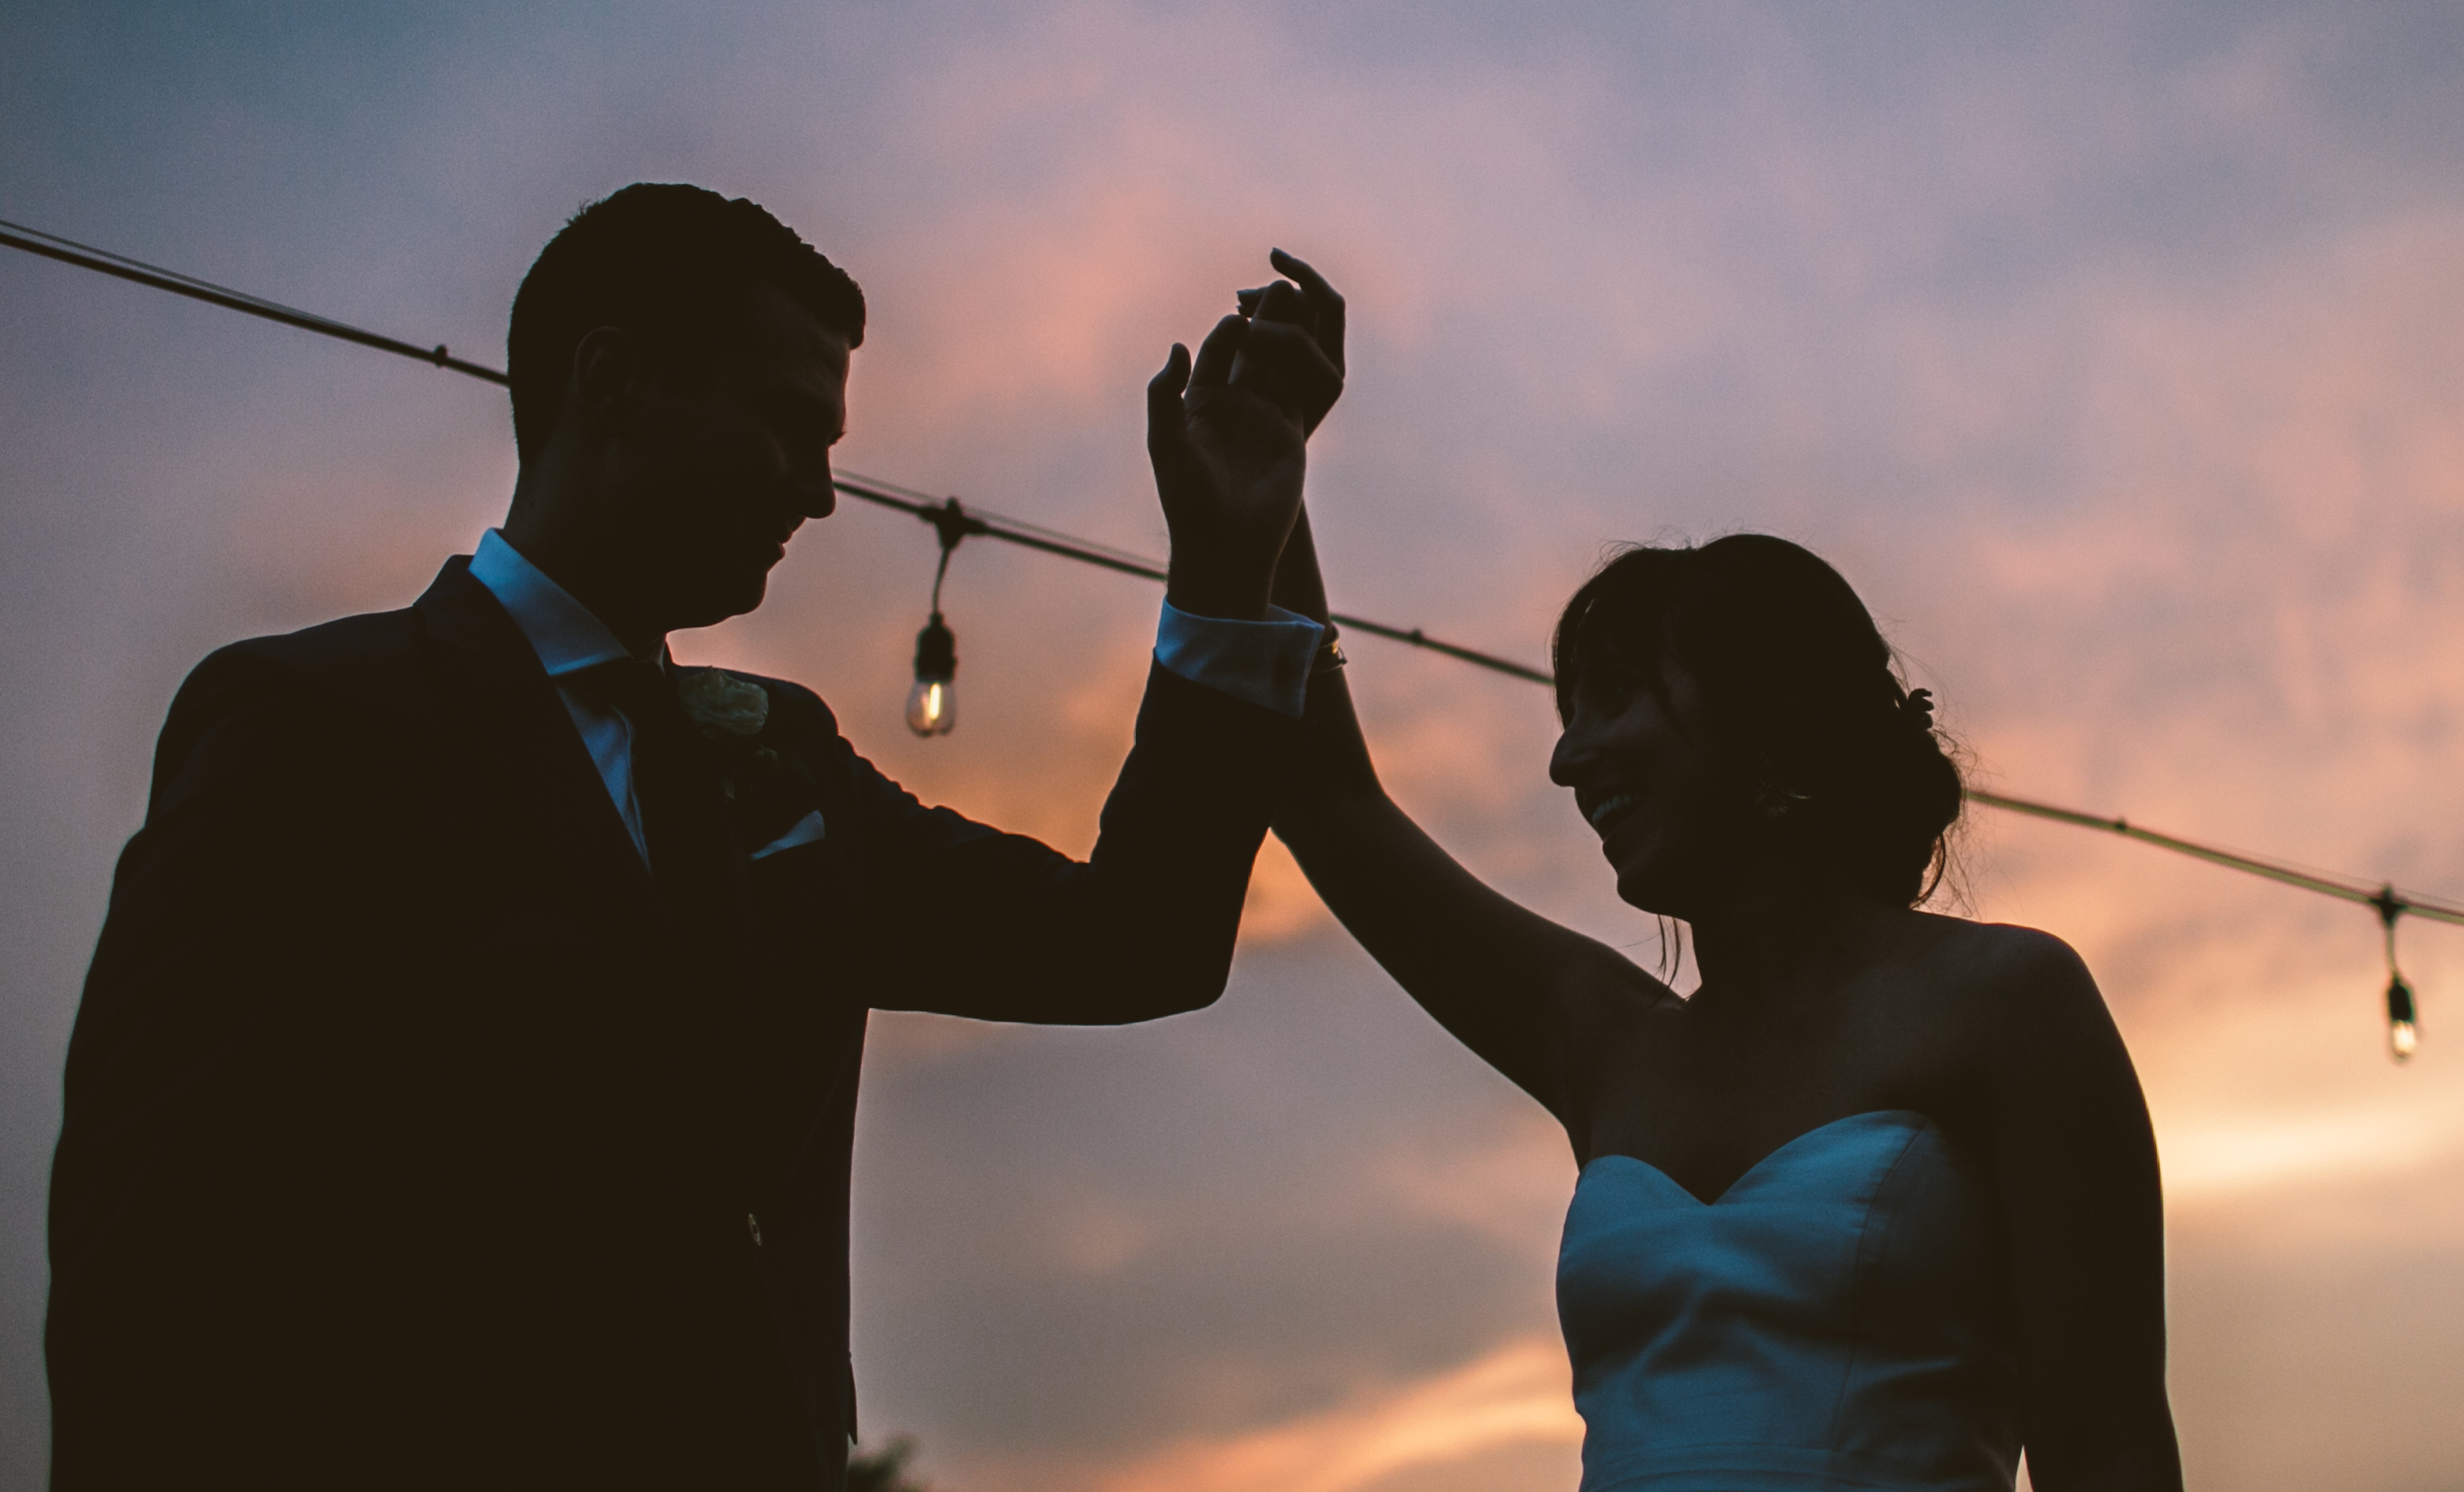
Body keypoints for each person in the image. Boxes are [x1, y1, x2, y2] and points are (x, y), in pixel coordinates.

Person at [47, 186, 1342, 1492]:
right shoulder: (310, 728)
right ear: (612, 382)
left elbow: (1142, 941)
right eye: (786, 424)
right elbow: (145, 1276)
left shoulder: (788, 760)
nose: (821, 493)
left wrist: (1227, 562)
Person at [1240, 260, 2185, 1492]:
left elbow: (2108, 1451)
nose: (1568, 759)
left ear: (1770, 728)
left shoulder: (2009, 1006)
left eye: (1614, 702)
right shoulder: (1603, 1038)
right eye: (1568, 716)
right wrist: (1266, 482)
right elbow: (1327, 801)